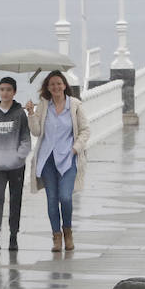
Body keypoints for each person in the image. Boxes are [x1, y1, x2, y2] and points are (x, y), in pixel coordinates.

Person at [25, 69, 91, 253]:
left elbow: (85, 130)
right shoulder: (44, 106)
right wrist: (31, 114)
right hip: (47, 159)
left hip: (68, 158)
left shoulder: (75, 105)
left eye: (58, 83)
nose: (55, 86)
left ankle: (68, 231)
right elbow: (37, 132)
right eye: (52, 84)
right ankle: (56, 237)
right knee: (52, 199)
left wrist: (75, 148)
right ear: (47, 87)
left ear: (64, 85)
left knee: (65, 197)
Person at [0, 76, 32, 252]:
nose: (5, 93)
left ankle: (13, 236)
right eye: (2, 89)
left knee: (15, 199)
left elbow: (26, 139)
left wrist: (19, 157)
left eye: (9, 90)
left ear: (14, 92)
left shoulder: (20, 114)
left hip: (16, 165)